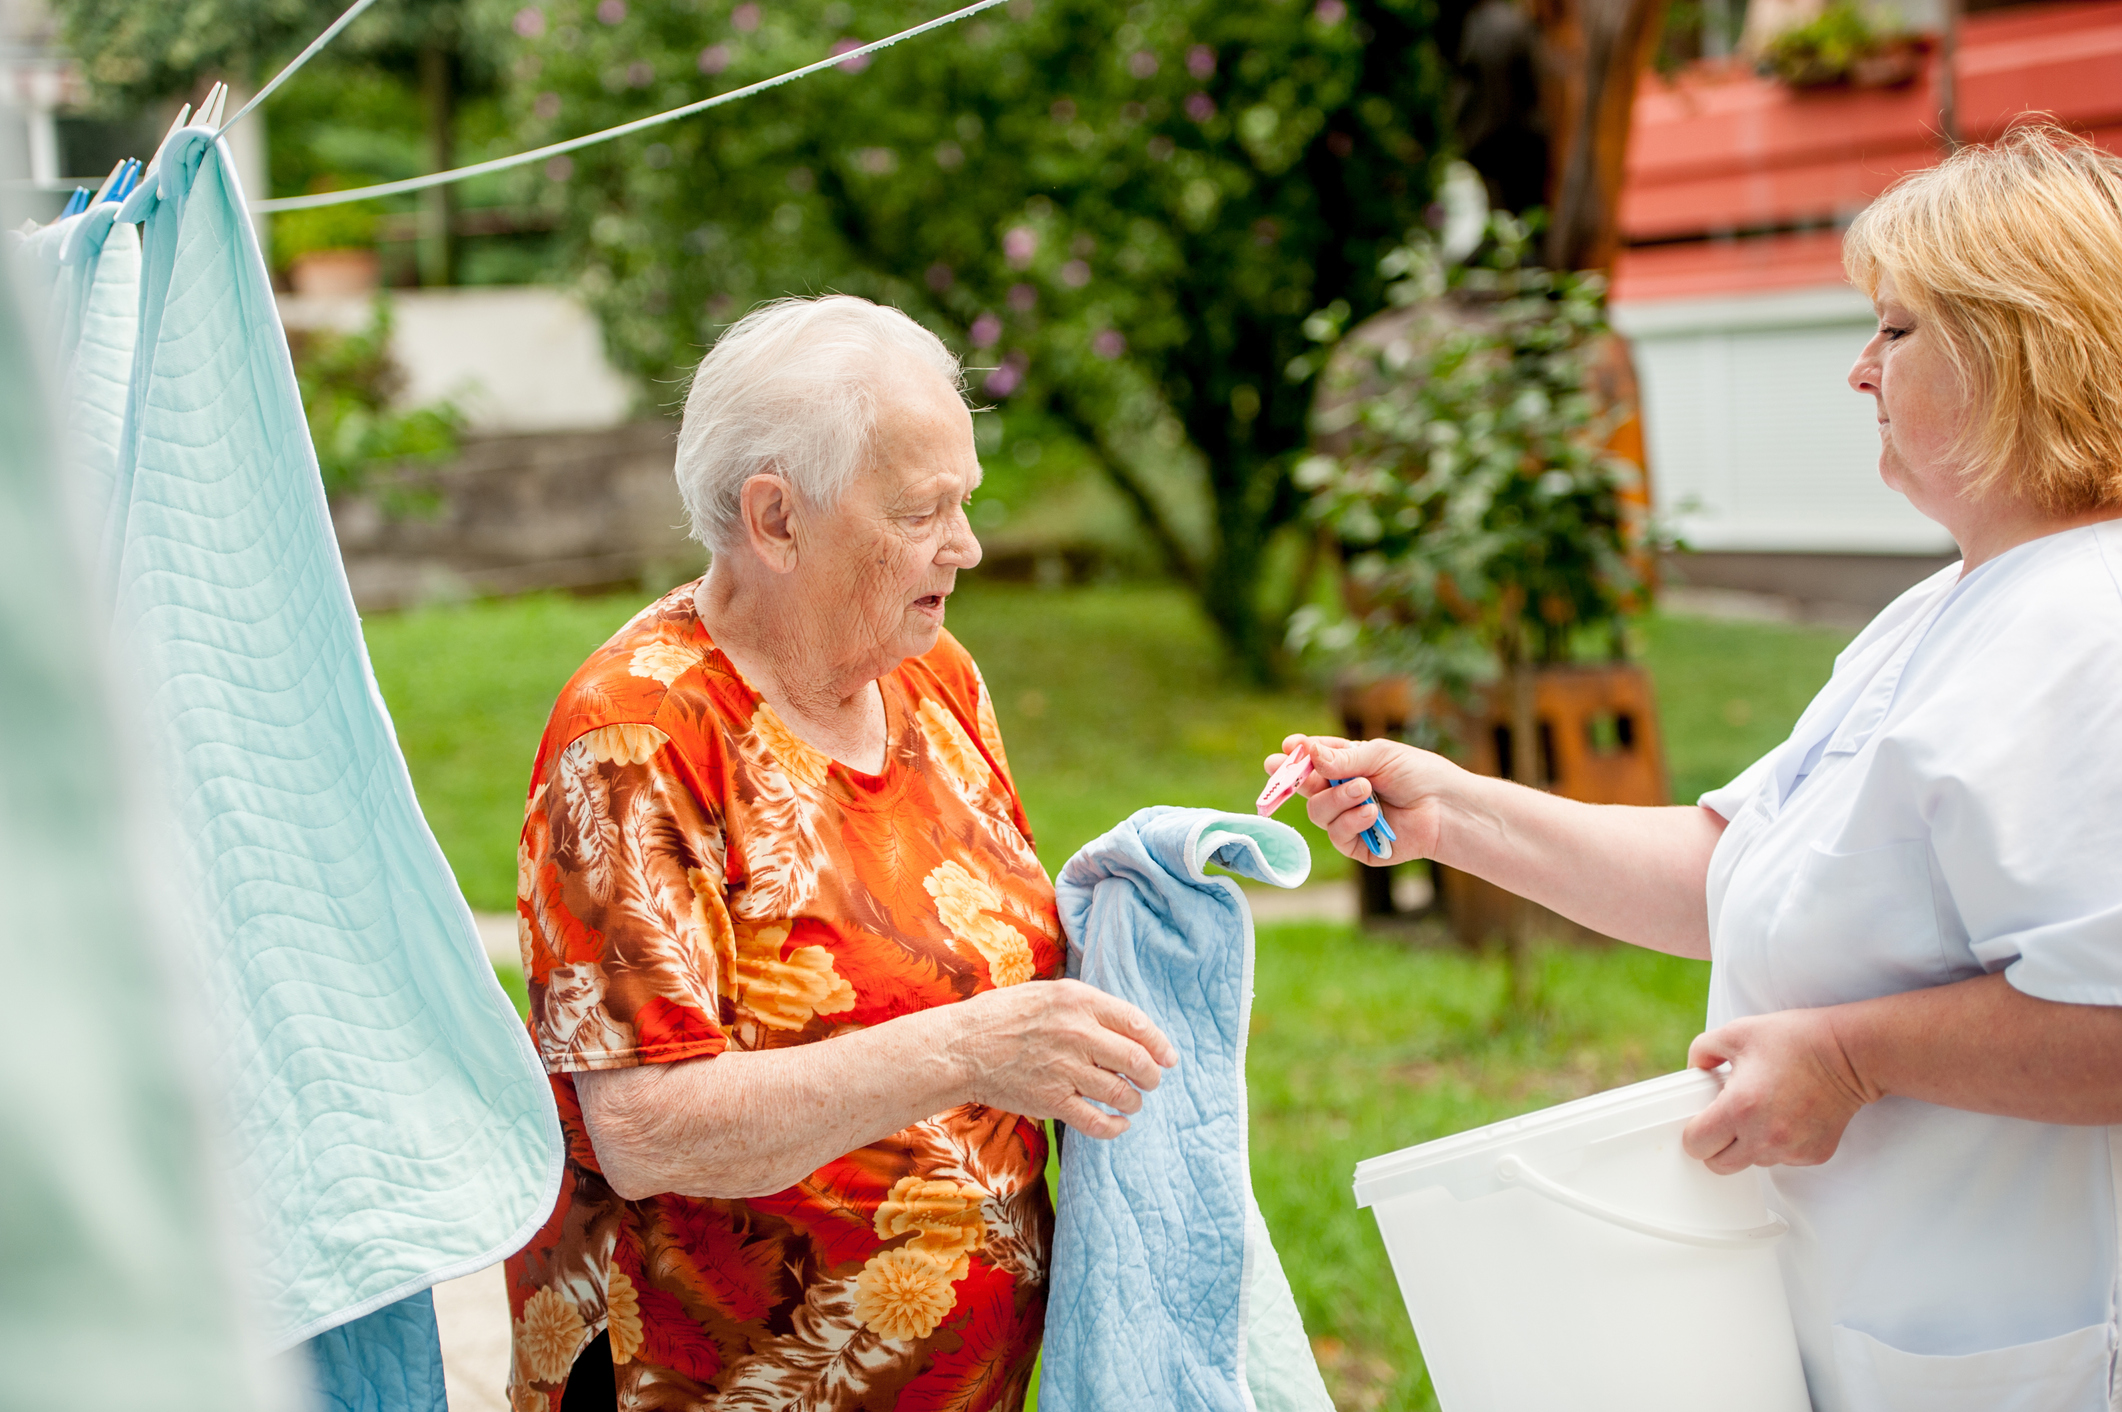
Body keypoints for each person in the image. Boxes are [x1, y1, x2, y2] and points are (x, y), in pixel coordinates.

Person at [1272, 125, 2122, 1410]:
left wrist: (1849, 1057)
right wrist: (1449, 806)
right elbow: (1736, 865)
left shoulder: (2090, 628)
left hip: (2023, 1342)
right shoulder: (1951, 600)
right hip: (1872, 1318)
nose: (1856, 370)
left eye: (1895, 330)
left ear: (2023, 349)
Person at [505, 295, 1177, 1411]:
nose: (964, 545)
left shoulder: (932, 672)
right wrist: (971, 1048)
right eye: (922, 510)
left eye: (964, 502)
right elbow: (648, 1129)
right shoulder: (636, 736)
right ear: (776, 520)